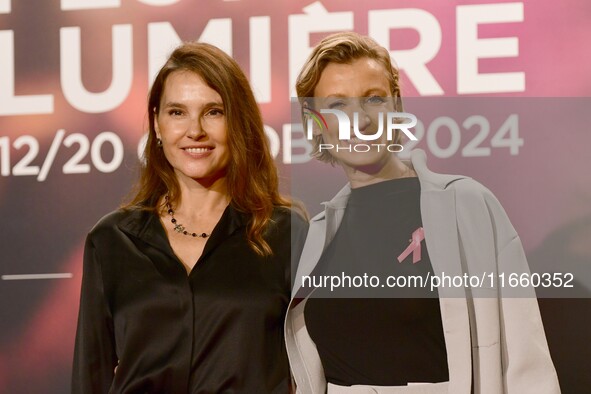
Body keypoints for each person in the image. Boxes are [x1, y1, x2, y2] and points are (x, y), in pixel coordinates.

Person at [284, 32, 560, 394]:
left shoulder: (468, 204)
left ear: (395, 107)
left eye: (374, 99)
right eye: (337, 106)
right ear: (315, 121)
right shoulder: (317, 234)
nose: (360, 121)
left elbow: (527, 364)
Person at [72, 42, 307, 393]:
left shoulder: (286, 233)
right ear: (157, 124)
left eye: (213, 112)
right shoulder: (111, 240)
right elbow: (90, 378)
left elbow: (317, 366)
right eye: (177, 112)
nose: (194, 130)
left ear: (238, 122)